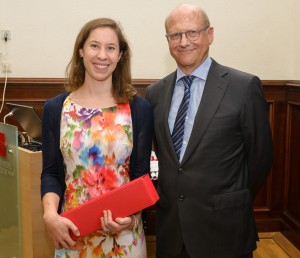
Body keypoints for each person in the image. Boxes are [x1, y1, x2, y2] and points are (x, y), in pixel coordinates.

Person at [145, 4, 273, 258]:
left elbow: (261, 158)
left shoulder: (243, 87)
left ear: (210, 34)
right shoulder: (155, 93)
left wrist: (229, 198)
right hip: (172, 230)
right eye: (175, 35)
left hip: (224, 229)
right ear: (168, 40)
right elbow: (167, 158)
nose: (184, 42)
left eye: (192, 32)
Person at [41, 18, 153, 258]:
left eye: (110, 48)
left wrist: (131, 220)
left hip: (125, 239)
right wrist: (50, 215)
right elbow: (50, 172)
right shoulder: (55, 108)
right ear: (81, 51)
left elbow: (141, 177)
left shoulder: (139, 109)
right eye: (94, 46)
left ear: (120, 55)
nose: (102, 55)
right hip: (72, 235)